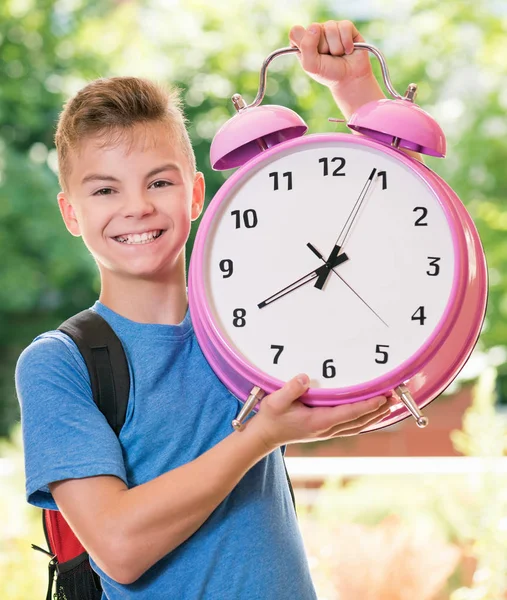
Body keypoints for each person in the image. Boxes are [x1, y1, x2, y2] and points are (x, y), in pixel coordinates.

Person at [15, 20, 396, 599]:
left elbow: (387, 223)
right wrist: (260, 436)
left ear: (195, 194)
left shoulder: (256, 321)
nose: (137, 207)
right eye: (105, 190)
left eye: (159, 182)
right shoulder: (60, 365)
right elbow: (118, 548)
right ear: (71, 214)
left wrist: (356, 89)